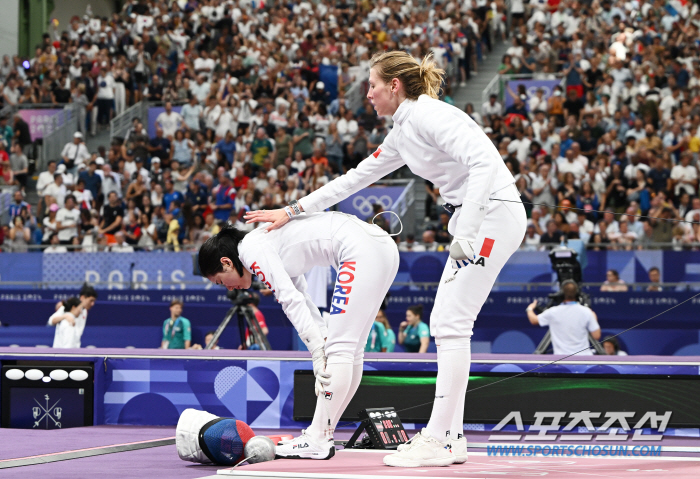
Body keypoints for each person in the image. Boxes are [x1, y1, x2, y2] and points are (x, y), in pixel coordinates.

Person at [244, 51, 526, 467]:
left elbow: (483, 160)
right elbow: (354, 178)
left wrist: (466, 231)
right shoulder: (402, 131)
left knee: (449, 323)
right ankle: (450, 438)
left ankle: (441, 439)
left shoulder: (429, 114)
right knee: (450, 324)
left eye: (373, 85)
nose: (369, 94)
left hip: (488, 216)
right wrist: (291, 211)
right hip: (479, 217)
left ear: (394, 86)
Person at [198, 211, 399, 461]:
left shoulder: (251, 249)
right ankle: (323, 434)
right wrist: (323, 339)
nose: (228, 288)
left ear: (227, 262)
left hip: (360, 248)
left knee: (341, 349)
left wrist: (318, 353)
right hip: (383, 247)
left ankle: (317, 438)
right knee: (351, 349)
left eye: (220, 281)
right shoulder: (267, 244)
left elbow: (289, 300)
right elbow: (302, 297)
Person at [526, 280, 601, 355]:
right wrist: (593, 317)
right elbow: (596, 335)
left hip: (562, 359)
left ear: (561, 294)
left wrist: (530, 308)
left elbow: (534, 320)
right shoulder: (587, 312)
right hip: (584, 359)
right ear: (577, 294)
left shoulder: (553, 312)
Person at [47, 284, 98, 349]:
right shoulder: (66, 308)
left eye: (94, 301)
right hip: (63, 351)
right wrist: (65, 316)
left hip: (74, 349)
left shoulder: (84, 311)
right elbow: (51, 321)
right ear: (82, 297)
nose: (92, 304)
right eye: (91, 300)